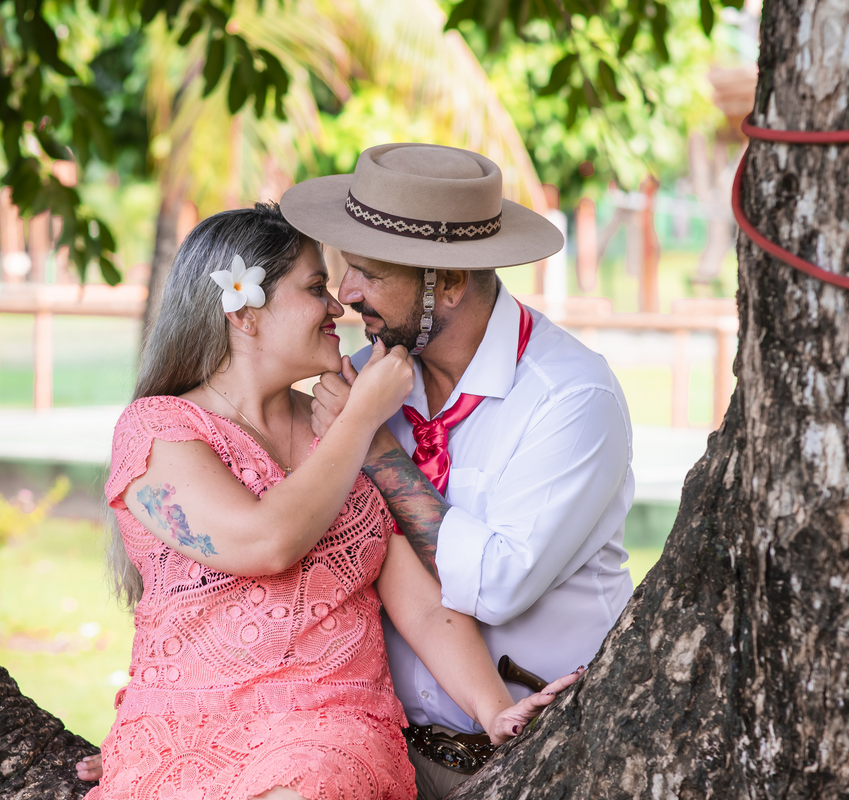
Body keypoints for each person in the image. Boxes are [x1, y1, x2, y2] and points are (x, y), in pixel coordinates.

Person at [78, 202, 582, 800]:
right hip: (185, 727)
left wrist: (495, 708)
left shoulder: (336, 425)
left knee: (307, 784)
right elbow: (265, 542)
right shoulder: (159, 430)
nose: (338, 306)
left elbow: (422, 606)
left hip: (332, 731)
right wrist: (362, 418)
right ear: (244, 312)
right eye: (316, 288)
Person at [279, 143, 636, 799]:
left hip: (548, 761)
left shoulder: (569, 395)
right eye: (344, 269)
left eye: (368, 274)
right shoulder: (366, 379)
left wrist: (373, 448)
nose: (346, 294)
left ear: (447, 282)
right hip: (387, 758)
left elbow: (497, 584)